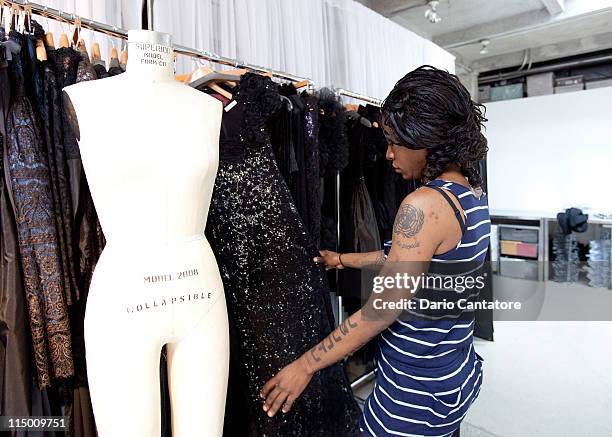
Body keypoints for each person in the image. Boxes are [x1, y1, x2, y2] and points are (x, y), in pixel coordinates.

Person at [261, 65, 490, 437]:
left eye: (395, 141)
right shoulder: (471, 191)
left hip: (414, 390)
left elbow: (379, 312)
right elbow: (412, 262)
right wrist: (341, 260)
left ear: (426, 139)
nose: (388, 154)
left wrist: (304, 366)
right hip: (454, 372)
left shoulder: (423, 205)